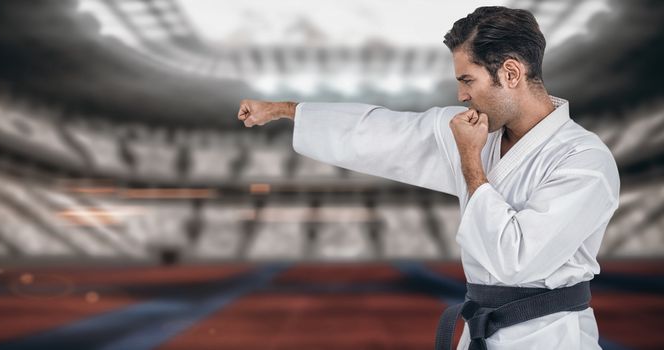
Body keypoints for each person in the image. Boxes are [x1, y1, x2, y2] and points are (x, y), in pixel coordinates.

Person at [237, 6, 619, 350]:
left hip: (550, 338)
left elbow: (514, 261)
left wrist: (470, 160)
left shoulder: (583, 161)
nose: (461, 94)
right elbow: (385, 132)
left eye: (468, 80)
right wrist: (286, 110)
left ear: (511, 72)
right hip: (481, 333)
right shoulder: (479, 132)